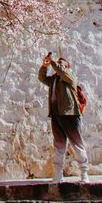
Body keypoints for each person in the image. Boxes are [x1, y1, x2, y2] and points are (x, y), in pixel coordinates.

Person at [38, 52, 89, 184]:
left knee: (77, 144)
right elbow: (42, 78)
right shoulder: (54, 80)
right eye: (58, 62)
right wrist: (44, 66)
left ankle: (84, 173)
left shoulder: (69, 76)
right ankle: (58, 174)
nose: (59, 63)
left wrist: (54, 62)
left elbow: (61, 71)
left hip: (70, 114)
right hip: (56, 115)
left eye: (62, 62)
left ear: (67, 66)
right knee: (59, 146)